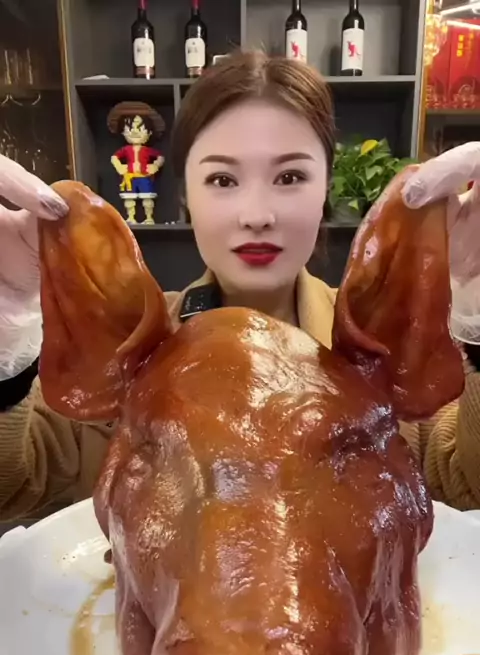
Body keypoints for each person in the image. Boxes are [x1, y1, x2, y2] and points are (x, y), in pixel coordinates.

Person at [1, 50, 480, 522]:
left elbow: (465, 482)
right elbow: (13, 487)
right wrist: (3, 345)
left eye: (290, 176)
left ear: (325, 189)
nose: (256, 215)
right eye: (222, 179)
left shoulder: (394, 348)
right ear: (184, 196)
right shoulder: (111, 349)